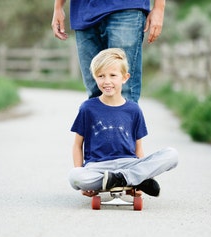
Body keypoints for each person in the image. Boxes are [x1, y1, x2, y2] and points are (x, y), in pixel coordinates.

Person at [68, 48, 178, 197]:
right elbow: (77, 145)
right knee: (75, 176)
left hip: (128, 163)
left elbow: (138, 148)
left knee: (172, 155)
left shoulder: (134, 109)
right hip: (98, 167)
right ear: (94, 77)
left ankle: (124, 178)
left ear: (125, 78)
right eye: (101, 76)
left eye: (113, 75)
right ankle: (134, 180)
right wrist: (82, 175)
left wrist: (143, 172)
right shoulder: (88, 108)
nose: (107, 81)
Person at [51, 0, 166, 102]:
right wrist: (58, 6)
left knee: (124, 93)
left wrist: (159, 7)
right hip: (83, 10)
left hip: (126, 7)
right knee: (95, 94)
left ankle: (125, 126)